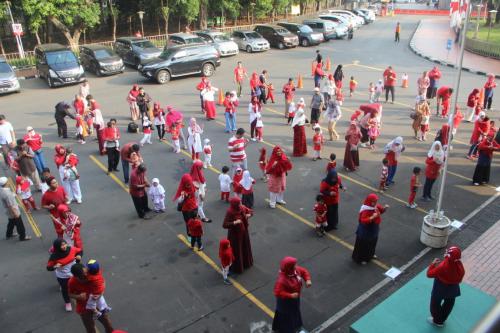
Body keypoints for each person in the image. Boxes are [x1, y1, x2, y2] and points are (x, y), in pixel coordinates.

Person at [68, 263, 115, 333]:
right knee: (90, 328)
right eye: (83, 276)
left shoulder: (92, 273)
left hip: (97, 304)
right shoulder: (72, 282)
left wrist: (100, 294)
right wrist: (78, 296)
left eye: (86, 273)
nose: (86, 276)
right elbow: (69, 294)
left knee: (107, 323)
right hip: (84, 307)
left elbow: (102, 282)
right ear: (76, 277)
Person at [426, 246, 465, 327]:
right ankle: (442, 319)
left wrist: (433, 264)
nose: (445, 253)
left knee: (435, 305)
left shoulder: (443, 267)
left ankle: (437, 321)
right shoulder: (459, 265)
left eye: (447, 252)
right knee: (449, 303)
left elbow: (429, 274)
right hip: (453, 288)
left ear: (448, 255)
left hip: (440, 287)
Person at [272, 256, 312, 333]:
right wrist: (290, 295)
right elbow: (278, 292)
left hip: (294, 299)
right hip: (285, 302)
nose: (296, 266)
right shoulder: (281, 280)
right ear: (289, 267)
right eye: (294, 265)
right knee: (287, 317)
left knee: (295, 312)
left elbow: (303, 271)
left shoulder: (295, 270)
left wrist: (307, 279)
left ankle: (297, 327)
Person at [352, 194, 389, 265]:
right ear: (369, 201)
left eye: (375, 201)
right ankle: (361, 259)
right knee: (364, 245)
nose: (375, 203)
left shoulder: (375, 207)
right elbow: (363, 220)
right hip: (366, 231)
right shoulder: (366, 210)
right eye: (373, 201)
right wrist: (372, 217)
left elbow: (380, 211)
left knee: (372, 243)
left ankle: (370, 255)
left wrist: (384, 208)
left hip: (373, 230)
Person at [47, 238, 82, 311]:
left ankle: (79, 298)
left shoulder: (71, 249)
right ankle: (67, 302)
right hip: (63, 276)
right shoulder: (54, 256)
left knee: (78, 286)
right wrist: (55, 266)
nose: (64, 246)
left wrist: (79, 256)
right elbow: (49, 267)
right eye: (61, 245)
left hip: (74, 272)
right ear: (57, 247)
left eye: (64, 244)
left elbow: (80, 250)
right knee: (65, 289)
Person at [222, 197, 253, 274]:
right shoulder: (230, 212)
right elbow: (225, 224)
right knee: (237, 250)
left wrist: (248, 215)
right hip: (235, 235)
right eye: (239, 203)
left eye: (240, 203)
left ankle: (245, 263)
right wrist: (234, 223)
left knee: (244, 247)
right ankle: (237, 267)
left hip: (243, 232)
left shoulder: (242, 208)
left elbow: (250, 212)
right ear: (235, 204)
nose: (240, 204)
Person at [0, 177, 31, 241]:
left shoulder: (2, 190)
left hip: (8, 211)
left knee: (11, 222)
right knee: (19, 224)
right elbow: (11, 205)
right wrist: (16, 213)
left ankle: (9, 234)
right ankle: (23, 236)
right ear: (6, 183)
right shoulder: (7, 194)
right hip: (13, 210)